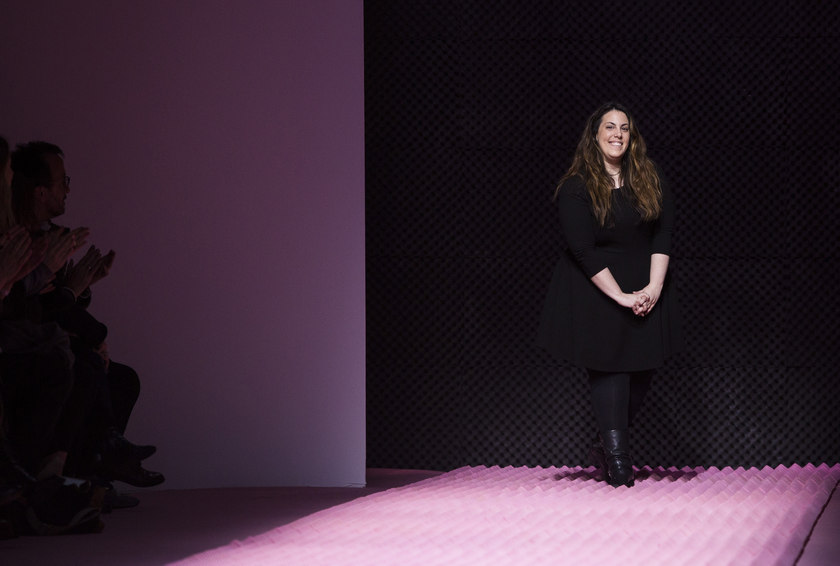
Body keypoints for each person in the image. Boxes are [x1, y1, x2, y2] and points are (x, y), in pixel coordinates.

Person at [537, 102, 683, 488]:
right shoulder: (576, 186)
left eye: (624, 128)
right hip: (596, 286)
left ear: (631, 137)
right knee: (611, 369)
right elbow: (583, 249)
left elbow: (663, 234)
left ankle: (604, 443)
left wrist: (653, 287)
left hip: (645, 281)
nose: (617, 134)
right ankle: (619, 461)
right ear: (596, 135)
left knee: (642, 370)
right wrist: (618, 295)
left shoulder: (650, 176)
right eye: (609, 127)